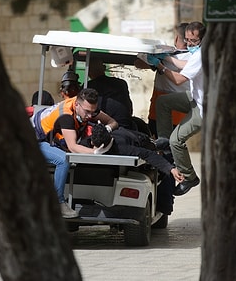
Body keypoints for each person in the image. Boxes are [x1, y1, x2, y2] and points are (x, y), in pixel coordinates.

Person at [32, 88, 118, 218]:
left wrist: (107, 129)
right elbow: (73, 147)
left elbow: (113, 122)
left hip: (44, 138)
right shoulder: (66, 116)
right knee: (63, 159)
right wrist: (95, 152)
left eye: (93, 112)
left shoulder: (86, 107)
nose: (90, 116)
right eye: (87, 112)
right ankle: (59, 204)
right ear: (77, 105)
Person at [150, 21, 206, 196]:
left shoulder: (203, 54)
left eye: (193, 41)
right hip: (194, 98)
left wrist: (161, 66)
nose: (189, 44)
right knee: (163, 102)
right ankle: (164, 140)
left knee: (177, 141)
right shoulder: (198, 51)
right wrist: (165, 56)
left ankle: (190, 177)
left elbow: (179, 79)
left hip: (205, 108)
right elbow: (183, 65)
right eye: (187, 40)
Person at [86, 123, 184, 215]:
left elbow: (148, 154)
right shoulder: (89, 142)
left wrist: (171, 169)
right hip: (131, 137)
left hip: (143, 142)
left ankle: (166, 204)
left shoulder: (123, 147)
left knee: (166, 145)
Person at [135, 22, 191, 137]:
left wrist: (157, 60)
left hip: (162, 111)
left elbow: (137, 63)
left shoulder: (167, 56)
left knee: (161, 143)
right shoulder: (194, 58)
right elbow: (139, 63)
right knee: (173, 144)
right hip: (179, 114)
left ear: (176, 38)